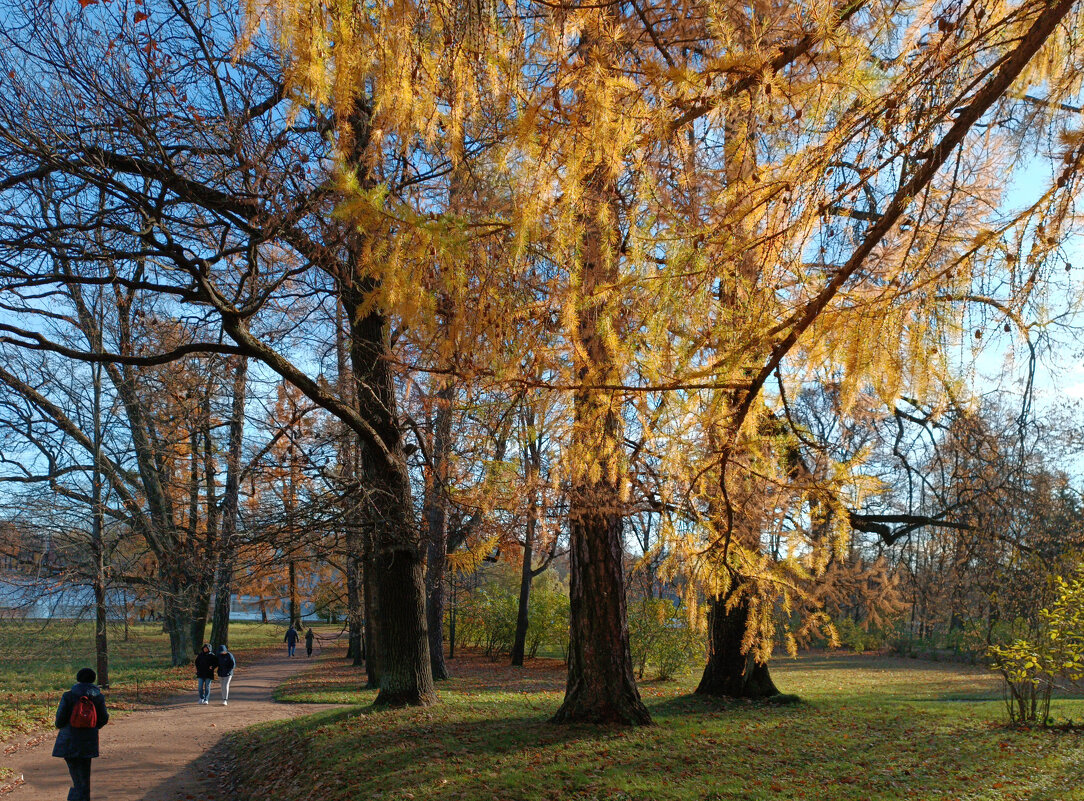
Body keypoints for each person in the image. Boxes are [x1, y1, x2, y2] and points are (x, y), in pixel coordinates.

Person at [52, 667, 109, 801]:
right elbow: (104, 718)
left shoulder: (68, 695)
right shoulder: (98, 697)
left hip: (68, 740)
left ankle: (75, 797)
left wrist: (63, 727)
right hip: (88, 740)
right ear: (93, 679)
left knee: (76, 776)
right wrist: (93, 727)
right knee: (84, 775)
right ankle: (82, 797)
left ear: (78, 679)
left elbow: (60, 719)